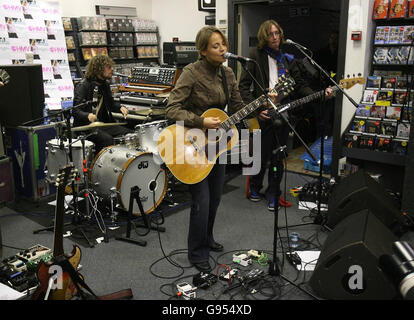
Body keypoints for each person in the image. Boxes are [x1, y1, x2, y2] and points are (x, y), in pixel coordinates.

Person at [165, 26, 270, 273]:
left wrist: (257, 109)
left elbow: (237, 106)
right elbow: (171, 109)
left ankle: (207, 238)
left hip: (218, 144)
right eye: (216, 46)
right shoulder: (191, 73)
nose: (223, 49)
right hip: (191, 142)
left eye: (223, 44)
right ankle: (196, 252)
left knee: (214, 199)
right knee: (201, 200)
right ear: (202, 51)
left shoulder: (228, 73)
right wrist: (201, 121)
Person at [238, 19, 334, 211]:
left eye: (277, 33)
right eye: (270, 34)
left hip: (282, 114)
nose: (274, 37)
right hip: (262, 113)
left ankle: (274, 192)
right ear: (264, 37)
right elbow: (243, 87)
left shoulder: (288, 59)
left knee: (278, 157)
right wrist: (257, 110)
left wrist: (321, 95)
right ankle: (255, 187)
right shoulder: (255, 56)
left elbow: (300, 86)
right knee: (261, 154)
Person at [73, 54, 131, 153]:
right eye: (109, 67)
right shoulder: (83, 85)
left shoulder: (104, 85)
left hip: (102, 124)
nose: (112, 69)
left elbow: (111, 104)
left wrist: (120, 107)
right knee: (106, 139)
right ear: (98, 69)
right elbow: (75, 110)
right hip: (86, 127)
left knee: (128, 133)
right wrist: (87, 115)